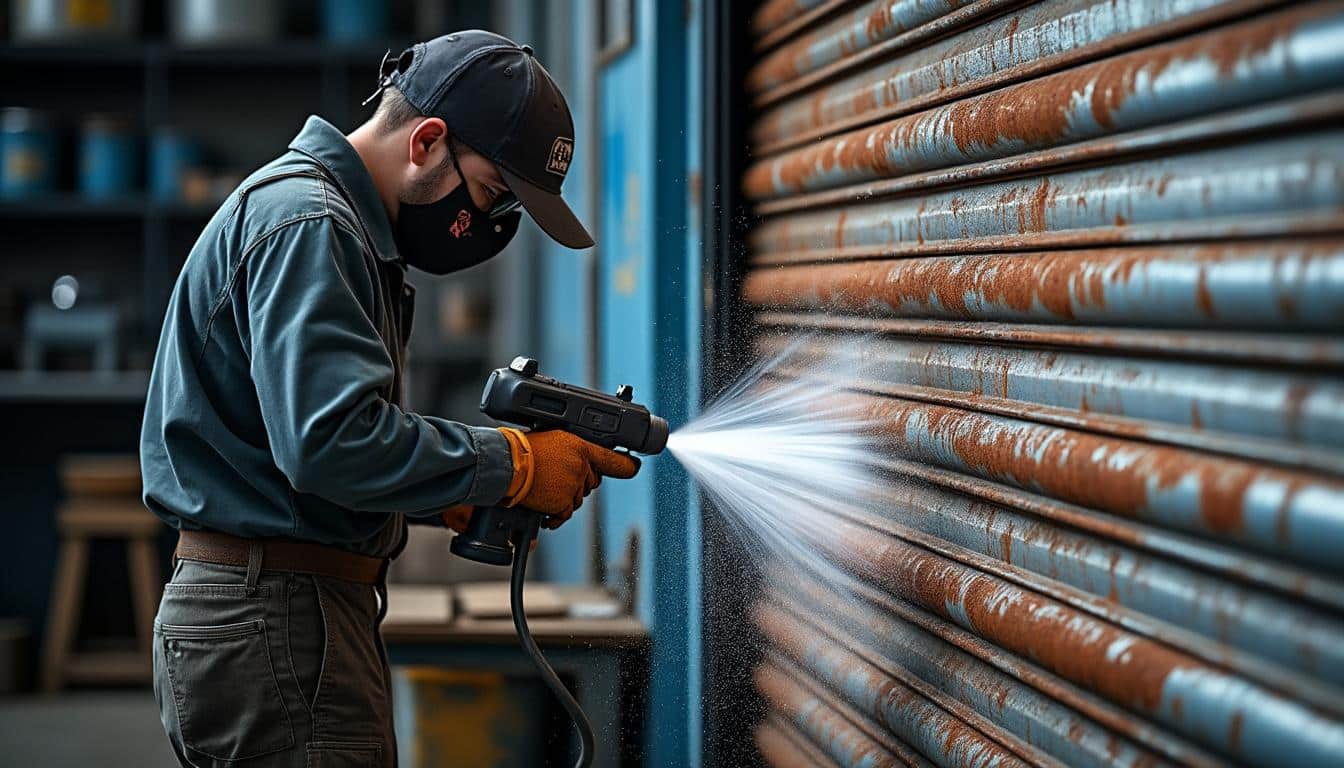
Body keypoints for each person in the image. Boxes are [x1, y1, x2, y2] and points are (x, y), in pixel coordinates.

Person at [139, 31, 637, 768]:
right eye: (495, 196)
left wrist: (451, 495)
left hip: (280, 607)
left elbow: (298, 446)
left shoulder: (318, 218)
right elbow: (329, 444)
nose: (494, 227)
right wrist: (516, 464)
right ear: (428, 141)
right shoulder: (314, 226)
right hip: (277, 614)